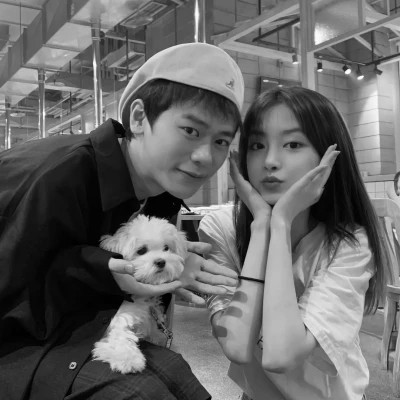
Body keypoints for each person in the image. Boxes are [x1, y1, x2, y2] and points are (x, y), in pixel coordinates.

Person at [0, 42, 244, 400]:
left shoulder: (160, 196)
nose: (206, 157)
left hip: (79, 327)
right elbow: (17, 290)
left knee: (178, 377)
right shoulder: (60, 175)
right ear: (139, 118)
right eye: (191, 130)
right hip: (18, 341)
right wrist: (105, 269)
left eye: (222, 140)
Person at [198, 86, 388, 400]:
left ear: (328, 157)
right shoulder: (220, 229)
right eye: (257, 145)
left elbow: (280, 355)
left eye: (293, 144)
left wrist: (281, 221)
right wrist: (262, 225)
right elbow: (236, 346)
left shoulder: (349, 244)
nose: (270, 161)